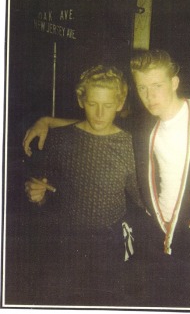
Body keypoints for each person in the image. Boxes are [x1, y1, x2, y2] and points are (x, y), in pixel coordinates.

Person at [23, 50, 190, 308]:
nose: (150, 96)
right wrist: (46, 120)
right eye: (142, 88)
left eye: (157, 86)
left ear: (174, 82)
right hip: (159, 241)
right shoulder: (144, 128)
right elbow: (99, 127)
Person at [22, 65, 144, 306]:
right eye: (92, 104)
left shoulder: (129, 144)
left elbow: (141, 198)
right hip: (65, 241)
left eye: (108, 106)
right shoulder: (60, 139)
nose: (99, 113)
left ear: (119, 104)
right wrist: (35, 195)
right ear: (81, 100)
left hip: (109, 241)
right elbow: (43, 191)